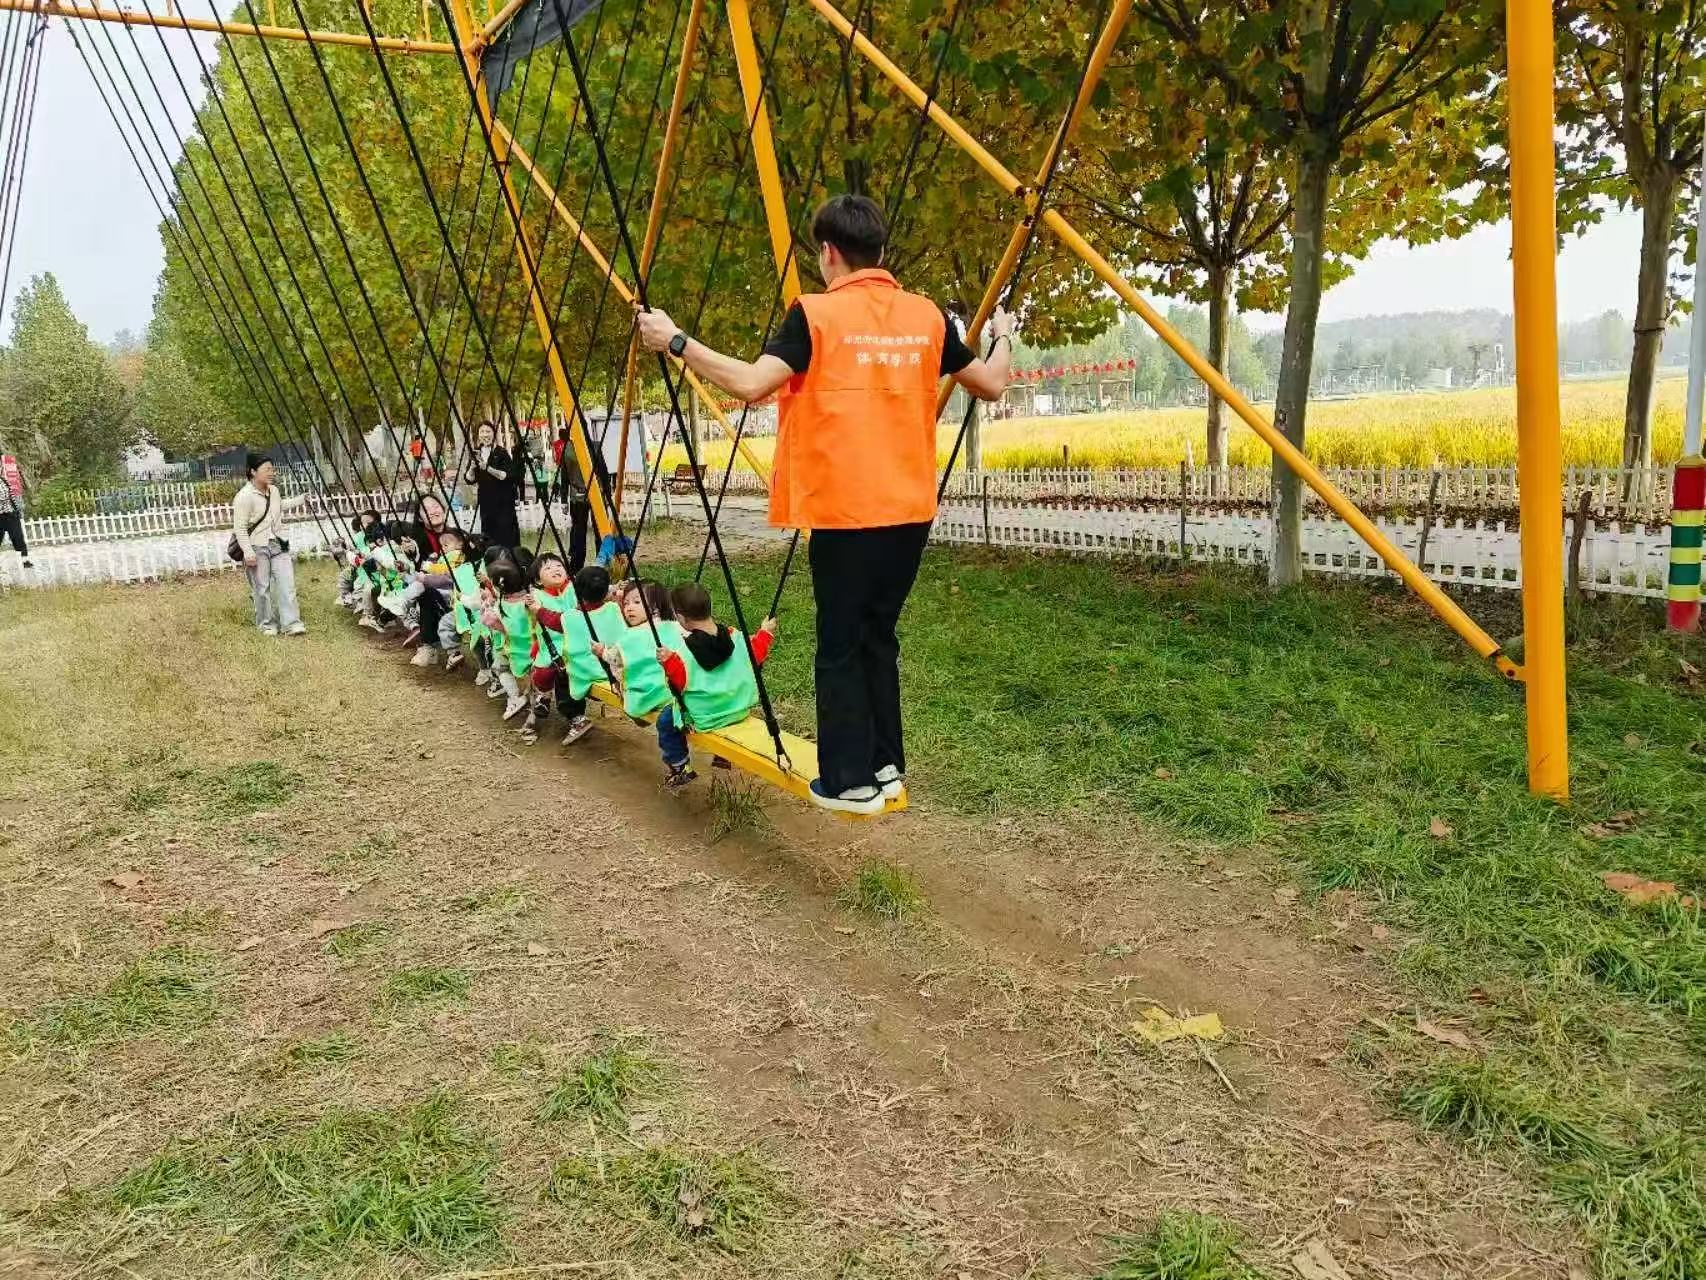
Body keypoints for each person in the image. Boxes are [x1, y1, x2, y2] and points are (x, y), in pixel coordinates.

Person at [636, 193, 1014, 813]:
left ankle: (848, 781)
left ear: (828, 252)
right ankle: (885, 764)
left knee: (839, 640)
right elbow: (992, 383)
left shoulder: (814, 315)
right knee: (877, 636)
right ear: (881, 251)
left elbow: (751, 384)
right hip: (909, 513)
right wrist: (1002, 336)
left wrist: (675, 341)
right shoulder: (925, 317)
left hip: (845, 512)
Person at [656, 582, 777, 790]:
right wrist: (765, 632)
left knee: (665, 721)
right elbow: (757, 652)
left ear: (681, 617)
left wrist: (668, 661)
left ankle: (679, 766)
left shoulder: (683, 654)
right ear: (709, 607)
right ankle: (722, 757)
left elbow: (676, 686)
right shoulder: (737, 638)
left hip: (706, 718)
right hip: (738, 709)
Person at [233, 452, 311, 637]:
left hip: (278, 542)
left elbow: (279, 505)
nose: (271, 472)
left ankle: (291, 624)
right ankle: (267, 624)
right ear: (253, 471)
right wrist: (248, 552)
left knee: (287, 584)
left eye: (272, 469)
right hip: (257, 547)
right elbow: (240, 528)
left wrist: (301, 499)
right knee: (262, 588)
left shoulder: (273, 490)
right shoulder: (244, 496)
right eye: (267, 469)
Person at [463, 421, 521, 551]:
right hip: (486, 503)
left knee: (507, 537)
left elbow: (507, 475)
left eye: (488, 431)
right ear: (478, 435)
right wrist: (472, 468)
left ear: (493, 434)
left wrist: (487, 468)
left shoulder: (501, 452)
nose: (485, 435)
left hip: (503, 503)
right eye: (482, 432)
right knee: (489, 538)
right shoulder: (475, 453)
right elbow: (469, 479)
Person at [0, 463, 31, 569]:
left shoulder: (4, 480)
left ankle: (25, 561)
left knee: (18, 538)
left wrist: (17, 509)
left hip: (11, 515)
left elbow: (12, 497)